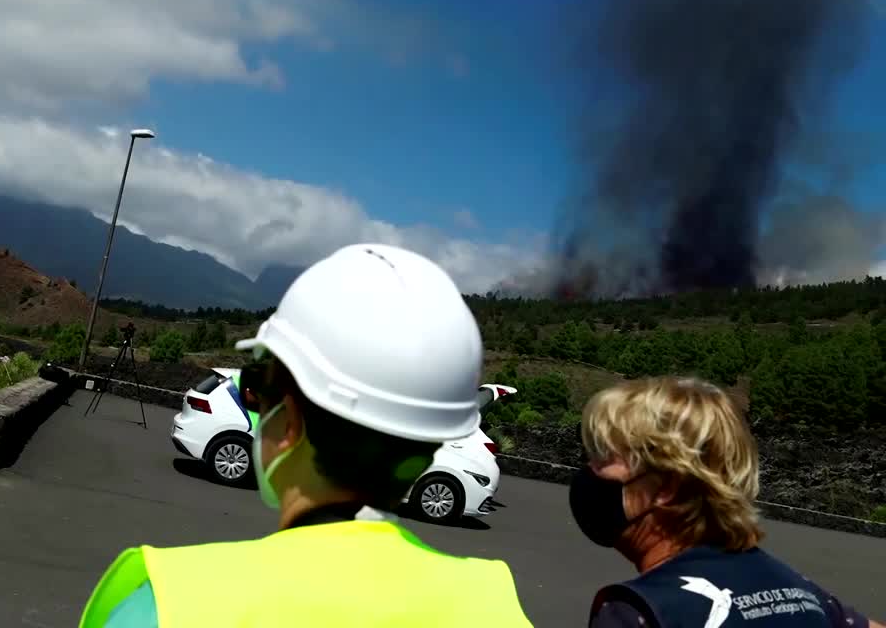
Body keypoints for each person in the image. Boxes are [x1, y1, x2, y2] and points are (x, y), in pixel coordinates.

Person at [79, 243, 535, 627]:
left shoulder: (168, 600)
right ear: (429, 444)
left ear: (291, 420)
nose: (253, 400)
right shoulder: (496, 607)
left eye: (258, 386)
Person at [572, 376, 883, 628]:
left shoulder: (638, 612)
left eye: (603, 456)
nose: (589, 470)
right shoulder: (796, 589)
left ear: (665, 486)